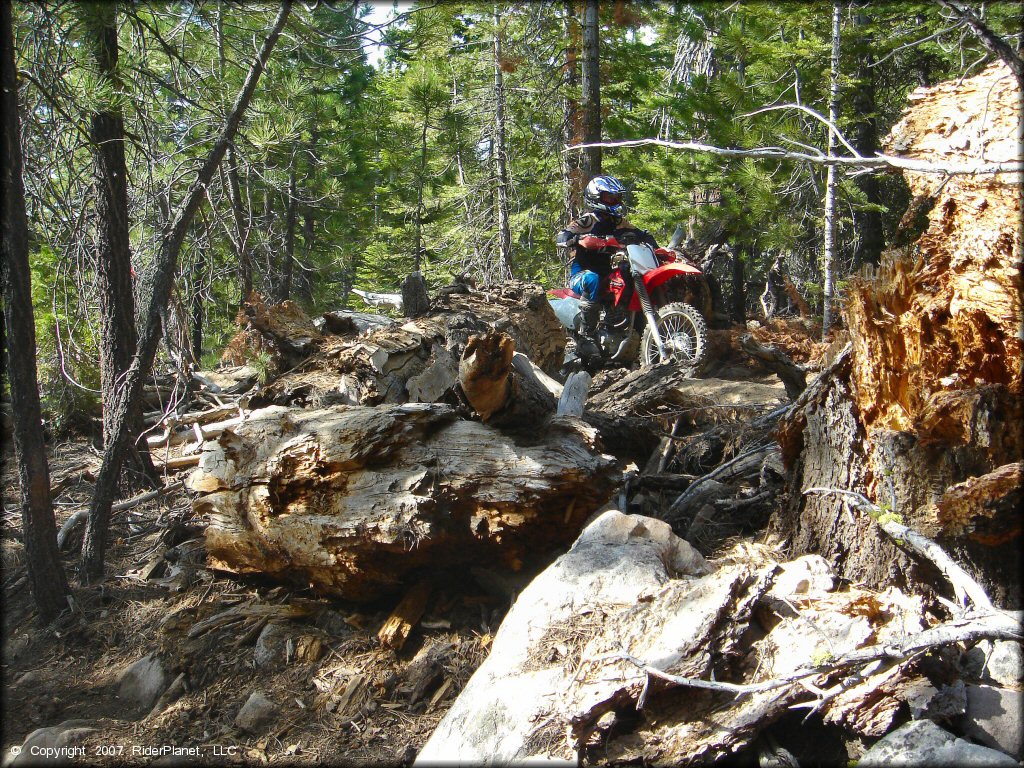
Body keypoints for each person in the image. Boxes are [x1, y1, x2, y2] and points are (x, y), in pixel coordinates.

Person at [555, 175, 658, 359]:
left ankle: (630, 327)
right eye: (609, 197)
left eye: (617, 197)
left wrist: (654, 246)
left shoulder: (620, 223)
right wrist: (579, 239)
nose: (614, 201)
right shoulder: (588, 221)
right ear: (596, 197)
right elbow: (562, 236)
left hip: (608, 273)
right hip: (581, 275)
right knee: (592, 279)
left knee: (627, 275)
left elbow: (643, 234)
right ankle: (587, 336)